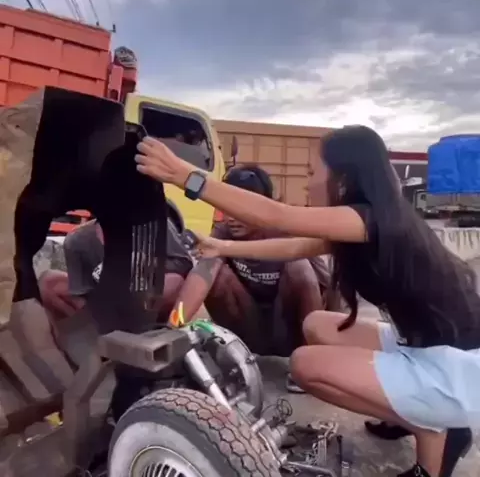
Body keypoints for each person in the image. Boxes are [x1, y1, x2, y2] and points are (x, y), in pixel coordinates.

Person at [134, 127, 480, 477]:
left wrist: (184, 175)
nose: (308, 184)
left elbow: (278, 216)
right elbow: (296, 245)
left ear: (342, 180)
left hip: (457, 366)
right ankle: (416, 411)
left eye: (314, 172)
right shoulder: (370, 219)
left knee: (305, 365)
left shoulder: (366, 219)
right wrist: (224, 247)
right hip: (421, 341)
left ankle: (434, 431)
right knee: (317, 325)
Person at [171, 164, 327, 364]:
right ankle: (237, 354)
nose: (231, 218)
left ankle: (310, 359)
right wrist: (173, 327)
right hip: (251, 331)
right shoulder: (223, 232)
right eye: (227, 209)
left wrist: (325, 343)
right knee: (217, 274)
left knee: (299, 267)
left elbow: (328, 291)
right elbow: (202, 274)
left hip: (290, 333)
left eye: (240, 210)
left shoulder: (289, 231)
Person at [39, 215, 193, 324]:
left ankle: (158, 328)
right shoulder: (77, 240)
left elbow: (184, 266)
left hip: (150, 298)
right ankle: (88, 334)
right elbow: (81, 291)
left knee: (175, 280)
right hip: (105, 304)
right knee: (49, 282)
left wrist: (146, 262)